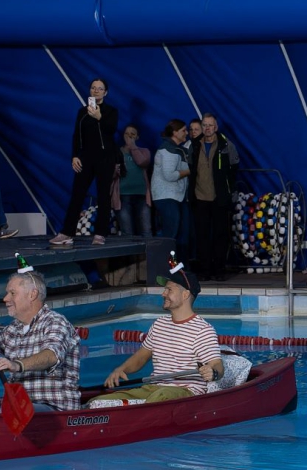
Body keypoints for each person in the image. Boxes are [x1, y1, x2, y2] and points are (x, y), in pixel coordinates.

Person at [90, 263, 223, 405]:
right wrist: (121, 369)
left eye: (169, 290)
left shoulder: (202, 330)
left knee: (161, 396)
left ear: (185, 294)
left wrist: (213, 372)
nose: (163, 293)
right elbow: (141, 357)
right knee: (98, 401)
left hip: (186, 391)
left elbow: (217, 365)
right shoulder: (159, 324)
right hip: (154, 388)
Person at [0, 270, 80, 412]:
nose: (5, 298)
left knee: (9, 411)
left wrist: (16, 365)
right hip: (19, 405)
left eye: (12, 293)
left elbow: (51, 356)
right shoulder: (13, 330)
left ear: (32, 294)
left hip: (54, 410)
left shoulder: (55, 322)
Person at [51, 78, 119, 246]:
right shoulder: (82, 112)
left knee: (103, 195)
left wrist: (99, 117)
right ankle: (67, 232)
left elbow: (111, 130)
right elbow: (77, 135)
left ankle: (100, 233)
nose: (96, 91)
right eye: (93, 88)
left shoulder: (111, 111)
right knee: (77, 194)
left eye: (100, 88)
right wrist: (75, 155)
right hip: (86, 157)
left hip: (105, 158)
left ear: (105, 92)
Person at [188, 114, 239, 281]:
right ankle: (204, 270)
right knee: (202, 236)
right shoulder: (195, 146)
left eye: (210, 125)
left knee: (220, 236)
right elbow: (191, 169)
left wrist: (231, 194)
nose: (207, 128)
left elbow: (233, 171)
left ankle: (219, 270)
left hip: (220, 198)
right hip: (199, 197)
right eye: (205, 125)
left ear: (216, 127)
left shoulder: (226, 145)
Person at [152, 119, 192, 259]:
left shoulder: (178, 149)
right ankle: (167, 267)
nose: (187, 133)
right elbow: (170, 175)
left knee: (182, 233)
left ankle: (180, 268)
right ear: (175, 132)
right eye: (184, 130)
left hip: (177, 196)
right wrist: (189, 171)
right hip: (166, 197)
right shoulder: (167, 149)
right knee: (171, 233)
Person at [115, 124, 153, 237]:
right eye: (127, 134)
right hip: (123, 196)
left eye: (133, 134)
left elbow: (142, 162)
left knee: (146, 230)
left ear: (137, 137)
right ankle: (130, 255)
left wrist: (133, 147)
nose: (129, 137)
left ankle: (146, 255)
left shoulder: (144, 151)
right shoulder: (117, 152)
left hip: (141, 195)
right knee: (127, 232)